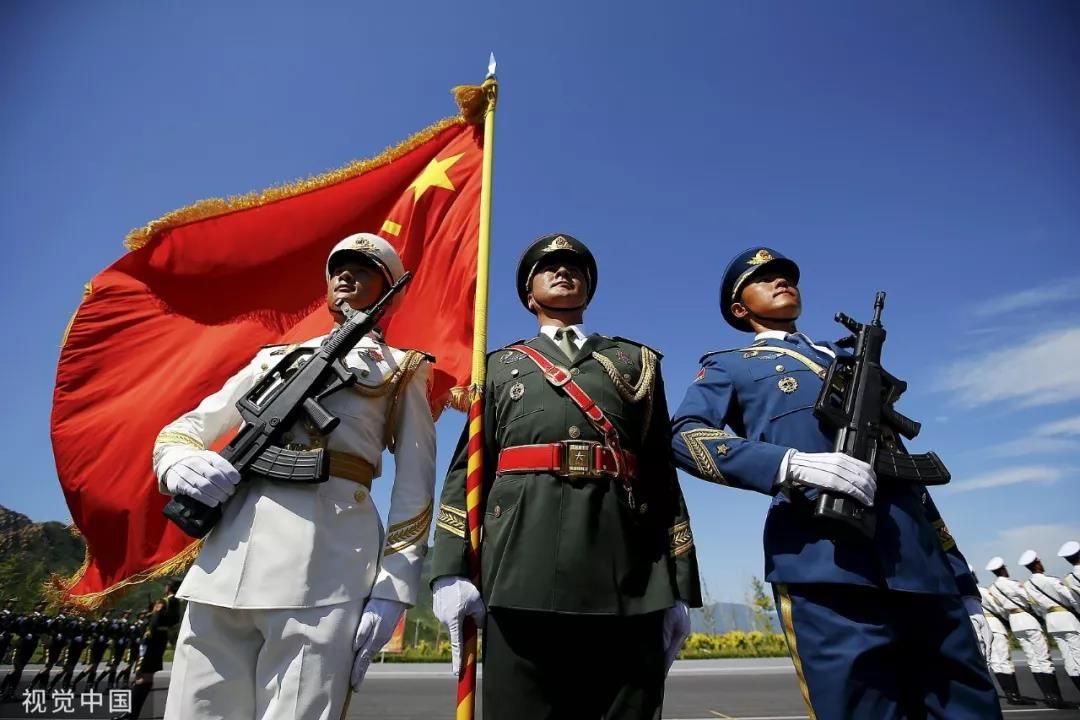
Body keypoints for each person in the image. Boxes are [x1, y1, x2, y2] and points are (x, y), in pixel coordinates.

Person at [670, 247, 1000, 718]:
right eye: (764, 278)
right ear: (740, 309)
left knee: (968, 709)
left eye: (786, 275)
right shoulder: (732, 365)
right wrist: (789, 464)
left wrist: (962, 582)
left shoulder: (846, 357)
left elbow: (906, 474)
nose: (782, 281)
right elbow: (685, 436)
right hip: (823, 555)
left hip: (919, 561)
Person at [152, 233, 436, 720]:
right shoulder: (275, 359)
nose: (345, 276)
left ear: (389, 294)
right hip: (227, 563)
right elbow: (189, 427)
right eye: (339, 269)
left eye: (363, 271)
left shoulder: (402, 369)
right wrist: (177, 461)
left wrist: (394, 587)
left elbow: (415, 487)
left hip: (325, 570)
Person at [429, 233, 702, 720]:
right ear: (528, 295)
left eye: (574, 266)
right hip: (519, 571)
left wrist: (680, 585)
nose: (562, 270)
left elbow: (661, 473)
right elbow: (467, 470)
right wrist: (449, 570)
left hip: (630, 575)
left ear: (589, 290)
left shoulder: (633, 361)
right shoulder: (496, 367)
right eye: (547, 266)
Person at [986, 556, 1071, 708]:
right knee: (1043, 659)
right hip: (1028, 620)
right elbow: (1029, 599)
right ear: (1003, 569)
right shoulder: (1012, 584)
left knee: (1033, 660)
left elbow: (1001, 608)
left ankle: (1049, 697)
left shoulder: (992, 588)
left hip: (1015, 622)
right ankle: (1054, 698)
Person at [1018, 550, 1080, 696]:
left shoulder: (1028, 585)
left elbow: (1036, 607)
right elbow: (1071, 598)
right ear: (1037, 563)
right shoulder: (1051, 580)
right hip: (1066, 618)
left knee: (1069, 660)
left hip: (1052, 621)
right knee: (1078, 655)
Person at [974, 566, 1033, 706]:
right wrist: (1006, 618)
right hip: (994, 625)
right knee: (1005, 661)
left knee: (995, 662)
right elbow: (998, 608)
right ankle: (1014, 696)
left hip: (981, 627)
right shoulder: (982, 591)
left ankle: (1008, 694)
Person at [0, 601, 46, 701]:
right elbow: (18, 627)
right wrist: (25, 635)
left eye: (44, 606)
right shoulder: (29, 616)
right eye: (40, 605)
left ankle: (9, 691)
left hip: (32, 645)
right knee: (17, 668)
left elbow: (42, 630)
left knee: (19, 669)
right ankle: (5, 690)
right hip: (23, 644)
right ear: (35, 606)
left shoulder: (42, 618)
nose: (42, 607)